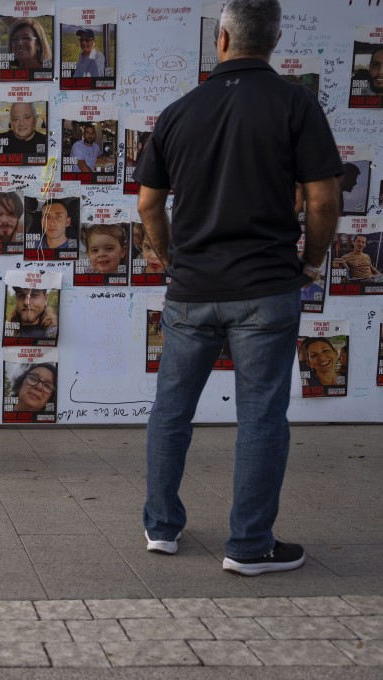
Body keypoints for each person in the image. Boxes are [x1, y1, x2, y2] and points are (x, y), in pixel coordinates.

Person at [134, 0, 342, 576]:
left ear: (220, 40)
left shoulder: (179, 111)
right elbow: (323, 198)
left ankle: (161, 528)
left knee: (171, 411)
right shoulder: (296, 104)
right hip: (266, 287)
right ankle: (249, 546)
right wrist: (312, 263)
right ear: (273, 42)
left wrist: (172, 258)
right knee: (261, 417)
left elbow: (149, 203)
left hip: (191, 290)